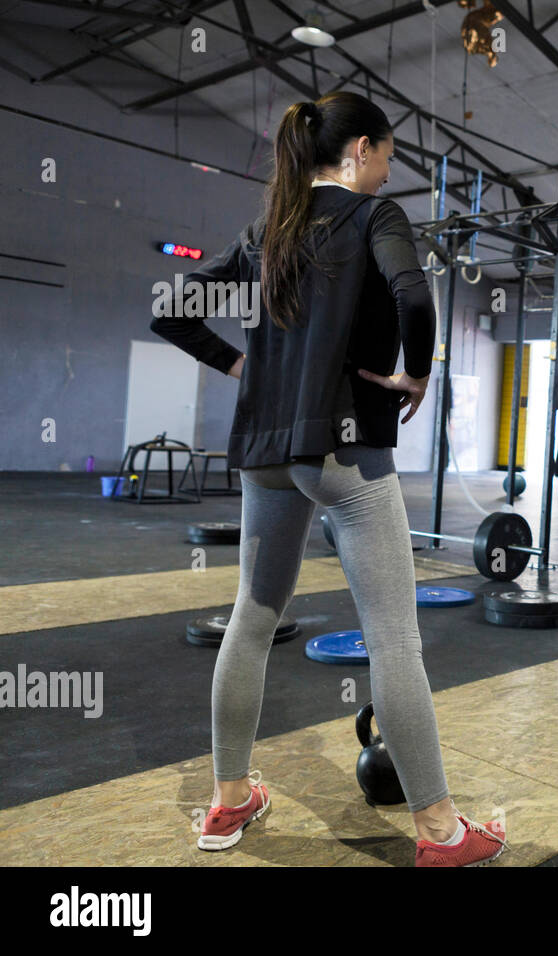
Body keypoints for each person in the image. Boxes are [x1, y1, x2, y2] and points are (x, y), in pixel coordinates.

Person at [150, 91, 505, 868]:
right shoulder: (375, 217)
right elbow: (415, 293)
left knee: (253, 615)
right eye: (385, 154)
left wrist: (245, 369)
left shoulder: (265, 231)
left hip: (267, 453)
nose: (386, 168)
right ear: (362, 151)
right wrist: (416, 374)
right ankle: (442, 831)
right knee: (392, 637)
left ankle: (228, 799)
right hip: (345, 454)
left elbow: (172, 310)